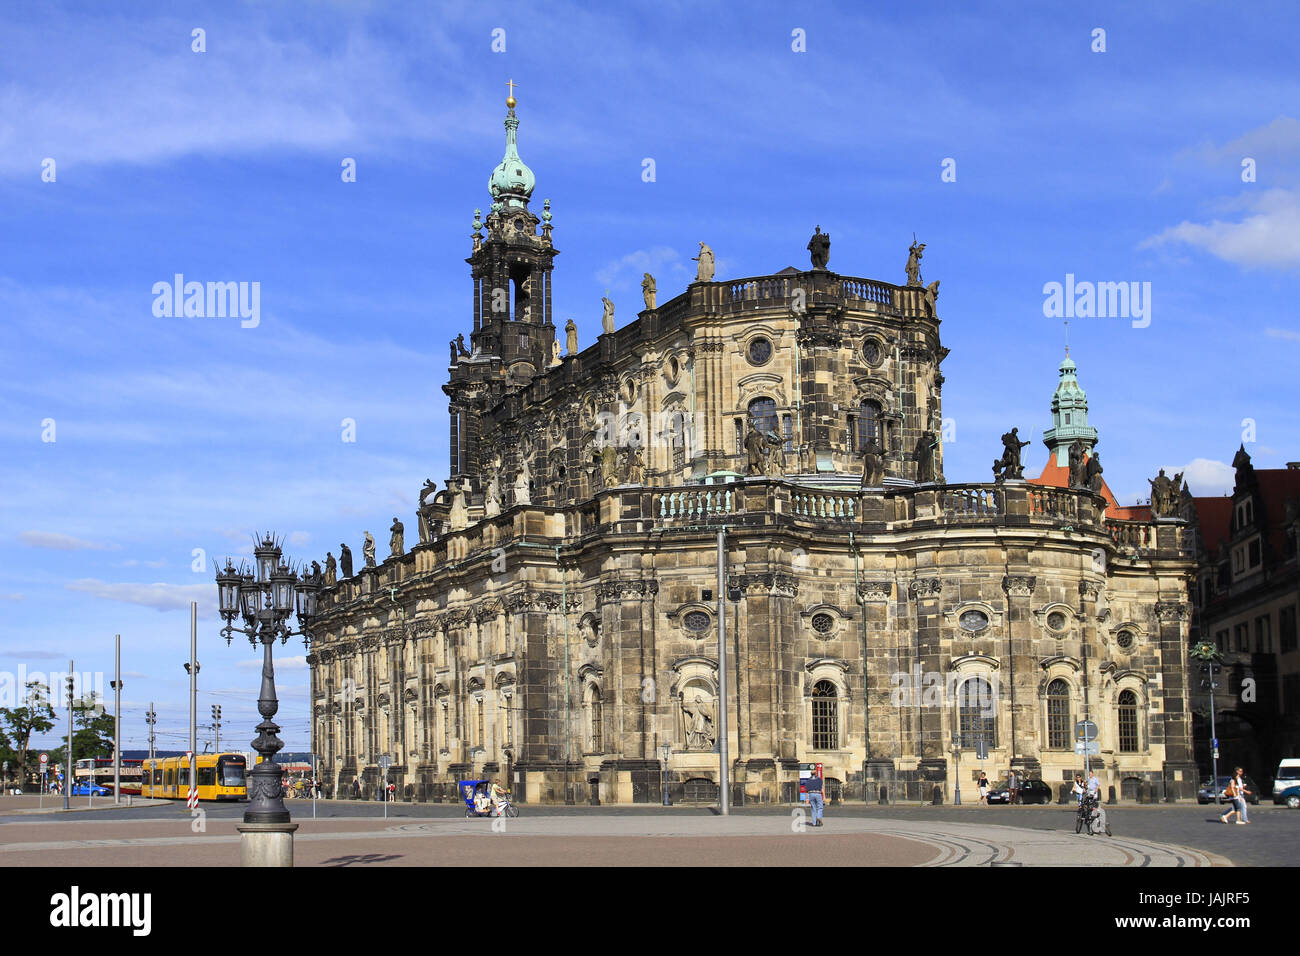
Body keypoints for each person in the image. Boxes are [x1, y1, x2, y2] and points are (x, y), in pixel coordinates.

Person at [1086, 768, 1111, 836]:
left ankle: (1100, 829)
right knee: (1095, 813)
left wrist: (1096, 790)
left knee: (1096, 812)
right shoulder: (1088, 779)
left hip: (1094, 793)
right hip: (1089, 793)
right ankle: (1099, 828)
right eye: (1089, 774)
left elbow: (1098, 785)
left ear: (1092, 774)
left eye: (1091, 774)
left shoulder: (1095, 779)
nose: (1090, 775)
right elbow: (1086, 784)